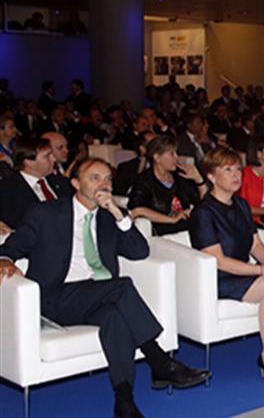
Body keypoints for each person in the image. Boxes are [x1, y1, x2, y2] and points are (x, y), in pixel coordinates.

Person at [0, 158, 211, 418]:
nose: (104, 184)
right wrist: (5, 260)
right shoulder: (46, 214)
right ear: (75, 183)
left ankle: (124, 402)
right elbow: (12, 246)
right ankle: (160, 361)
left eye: (108, 179)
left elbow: (139, 251)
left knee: (115, 318)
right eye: (95, 178)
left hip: (97, 296)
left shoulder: (109, 218)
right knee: (122, 287)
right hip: (56, 298)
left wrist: (118, 215)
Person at [190, 147, 264, 382]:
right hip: (218, 277)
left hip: (242, 271)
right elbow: (219, 261)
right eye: (227, 170)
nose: (236, 175)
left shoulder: (241, 205)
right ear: (211, 176)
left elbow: (255, 245)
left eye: (238, 169)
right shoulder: (203, 212)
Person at [127, 135, 207, 236]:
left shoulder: (180, 176)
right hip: (164, 233)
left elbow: (204, 204)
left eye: (176, 153)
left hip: (188, 228)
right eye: (171, 154)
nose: (176, 157)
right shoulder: (144, 180)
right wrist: (171, 219)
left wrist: (199, 180)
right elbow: (136, 210)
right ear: (157, 157)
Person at [0, 136, 73, 231]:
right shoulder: (6, 190)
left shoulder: (62, 183)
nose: (54, 159)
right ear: (29, 162)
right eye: (47, 156)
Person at [114, 131, 158, 196]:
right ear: (142, 149)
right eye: (154, 144)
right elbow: (119, 194)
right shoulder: (126, 168)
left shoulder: (166, 167)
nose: (159, 148)